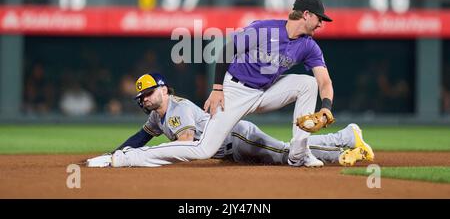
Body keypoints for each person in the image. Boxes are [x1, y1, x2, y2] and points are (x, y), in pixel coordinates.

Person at [107, 0, 352, 168]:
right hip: (236, 90)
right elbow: (226, 51)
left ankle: (299, 155)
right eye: (319, 18)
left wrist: (326, 107)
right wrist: (217, 89)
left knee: (306, 84)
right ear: (306, 14)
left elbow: (324, 81)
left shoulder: (309, 46)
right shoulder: (264, 29)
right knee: (204, 150)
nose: (322, 23)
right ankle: (129, 157)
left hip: (267, 91)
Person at [86, 73, 374, 167]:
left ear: (163, 89)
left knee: (287, 155)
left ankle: (346, 138)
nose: (146, 99)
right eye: (142, 98)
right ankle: (347, 142)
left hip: (238, 138)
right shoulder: (156, 115)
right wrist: (116, 152)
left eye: (149, 93)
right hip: (230, 149)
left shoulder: (178, 109)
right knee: (284, 152)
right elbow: (142, 136)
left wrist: (129, 159)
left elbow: (187, 144)